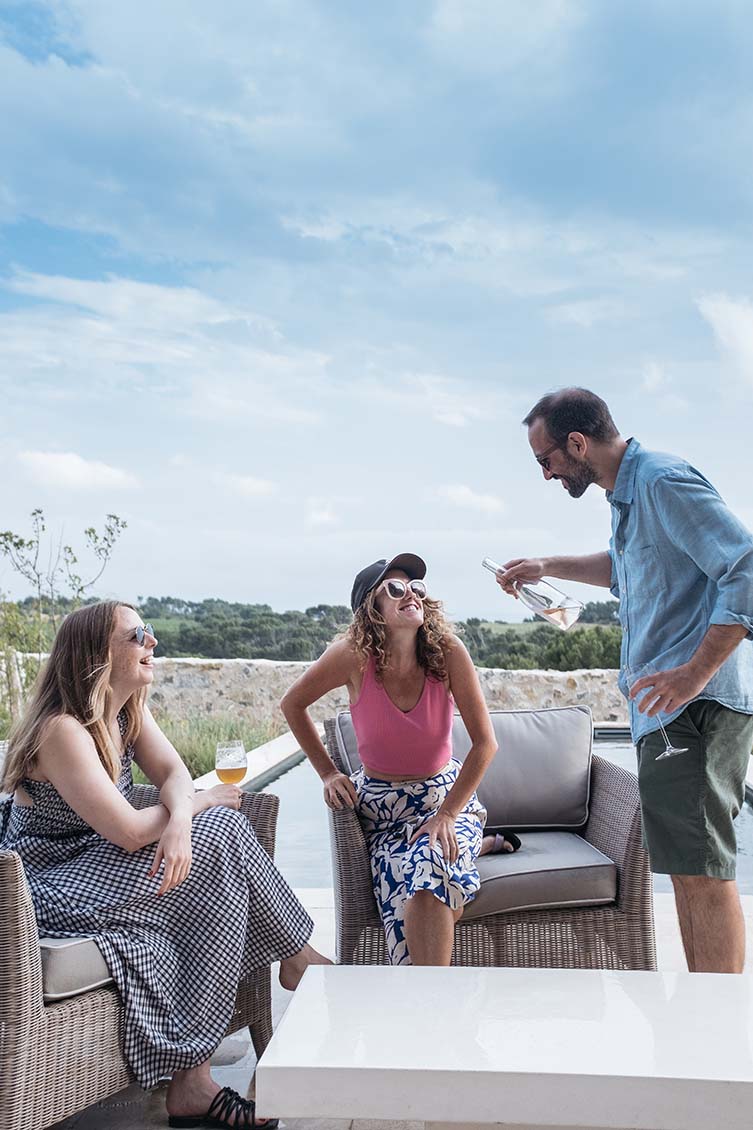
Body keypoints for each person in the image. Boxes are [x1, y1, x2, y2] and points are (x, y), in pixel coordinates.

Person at [0, 601, 330, 1129]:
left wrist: (180, 818)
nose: (152, 642)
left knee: (215, 850)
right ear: (96, 656)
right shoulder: (62, 730)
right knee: (222, 831)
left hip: (100, 865)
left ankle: (197, 1078)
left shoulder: (126, 710)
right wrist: (196, 807)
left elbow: (175, 771)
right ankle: (296, 963)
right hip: (45, 887)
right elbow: (128, 832)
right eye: (138, 636)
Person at [500, 386, 753, 974]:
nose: (545, 473)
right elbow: (629, 568)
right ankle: (702, 1009)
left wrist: (693, 674)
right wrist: (548, 566)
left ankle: (715, 1026)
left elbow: (745, 566)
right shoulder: (627, 497)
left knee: (704, 872)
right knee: (689, 872)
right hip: (667, 714)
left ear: (578, 442)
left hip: (698, 708)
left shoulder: (662, 480)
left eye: (546, 459)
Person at [281, 553, 517, 968]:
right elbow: (292, 704)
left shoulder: (448, 654)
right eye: (394, 588)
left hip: (443, 800)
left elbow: (485, 745)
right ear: (372, 610)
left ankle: (427, 1010)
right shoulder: (351, 657)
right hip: (382, 812)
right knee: (410, 884)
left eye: (417, 588)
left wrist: (446, 816)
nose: (410, 594)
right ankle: (431, 1014)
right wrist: (327, 772)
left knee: (429, 864)